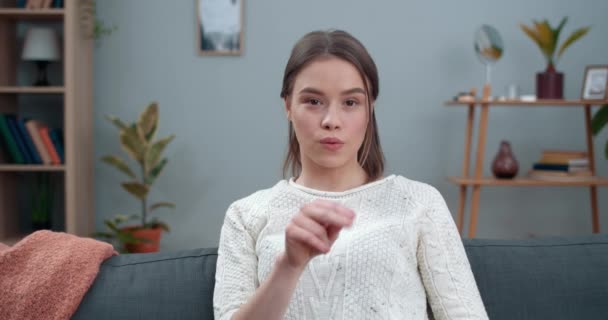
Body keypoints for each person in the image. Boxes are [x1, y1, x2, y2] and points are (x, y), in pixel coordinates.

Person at [213, 29, 489, 320]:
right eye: (313, 101)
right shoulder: (245, 215)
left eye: (350, 102)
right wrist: (289, 266)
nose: (332, 121)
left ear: (370, 109)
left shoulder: (419, 202)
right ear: (288, 106)